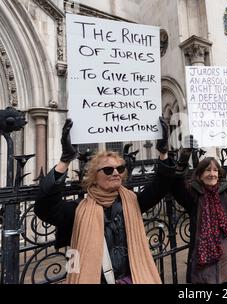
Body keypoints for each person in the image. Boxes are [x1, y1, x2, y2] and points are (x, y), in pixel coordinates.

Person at [34, 117, 175, 284]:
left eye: (120, 169)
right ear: (94, 177)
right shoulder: (78, 210)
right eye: (108, 170)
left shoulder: (131, 202)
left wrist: (163, 153)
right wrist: (65, 161)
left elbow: (161, 186)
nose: (116, 173)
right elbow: (44, 208)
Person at [170, 133, 227, 284]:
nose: (212, 174)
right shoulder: (193, 195)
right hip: (204, 268)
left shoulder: (226, 191)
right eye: (207, 170)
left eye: (215, 170)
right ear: (199, 175)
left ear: (219, 174)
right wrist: (184, 157)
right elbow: (177, 186)